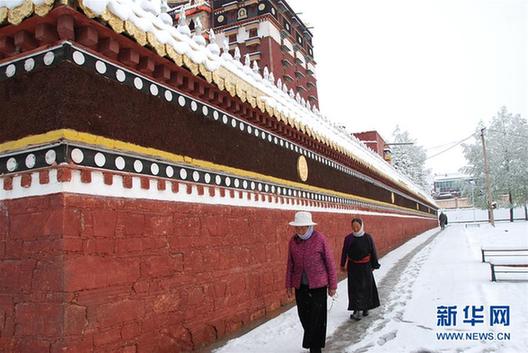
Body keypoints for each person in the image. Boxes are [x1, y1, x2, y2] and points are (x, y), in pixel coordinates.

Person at [285, 211, 337, 353]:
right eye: (297, 228)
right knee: (304, 317)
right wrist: (288, 285)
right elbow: (290, 264)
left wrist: (332, 286)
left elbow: (330, 263)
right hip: (300, 286)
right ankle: (313, 343)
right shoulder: (293, 241)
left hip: (318, 286)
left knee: (317, 319)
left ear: (309, 226)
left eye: (303, 227)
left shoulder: (320, 239)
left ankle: (315, 348)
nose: (300, 230)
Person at [340, 218, 380, 321]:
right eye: (353, 226)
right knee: (355, 288)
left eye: (357, 226)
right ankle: (357, 310)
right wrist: (342, 264)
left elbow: (373, 251)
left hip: (365, 266)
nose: (355, 228)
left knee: (366, 287)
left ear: (361, 226)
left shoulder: (368, 238)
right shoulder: (349, 238)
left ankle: (366, 308)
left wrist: (374, 264)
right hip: (353, 267)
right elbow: (344, 252)